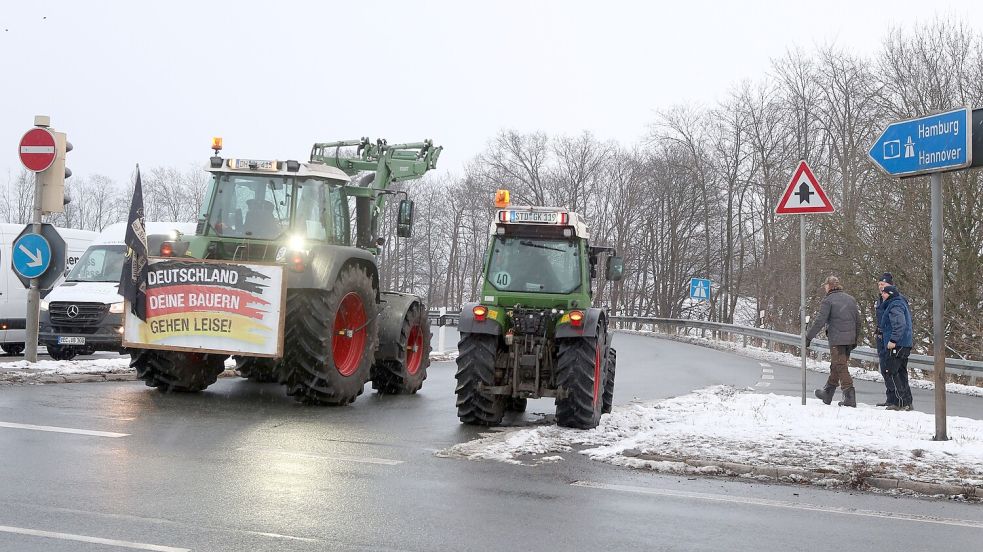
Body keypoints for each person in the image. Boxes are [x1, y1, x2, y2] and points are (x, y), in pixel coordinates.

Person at [807, 275, 862, 407]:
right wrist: (854, 338)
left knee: (840, 366)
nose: (825, 288)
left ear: (829, 286)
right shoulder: (850, 299)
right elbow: (858, 321)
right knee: (837, 365)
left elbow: (820, 321)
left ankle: (849, 396)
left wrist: (808, 337)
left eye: (825, 286)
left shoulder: (828, 300)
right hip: (849, 339)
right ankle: (828, 392)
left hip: (837, 339)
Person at [879, 285, 914, 411]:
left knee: (892, 371)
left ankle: (899, 402)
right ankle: (908, 402)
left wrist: (893, 340)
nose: (882, 295)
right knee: (902, 373)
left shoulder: (895, 305)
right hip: (905, 343)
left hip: (897, 343)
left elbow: (899, 323)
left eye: (885, 293)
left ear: (891, 294)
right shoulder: (899, 303)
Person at [874, 272, 899, 407]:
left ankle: (896, 399)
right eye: (879, 284)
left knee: (891, 368)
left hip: (890, 338)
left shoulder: (896, 300)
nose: (880, 287)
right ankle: (890, 398)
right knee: (884, 368)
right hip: (881, 337)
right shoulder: (879, 300)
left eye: (883, 284)